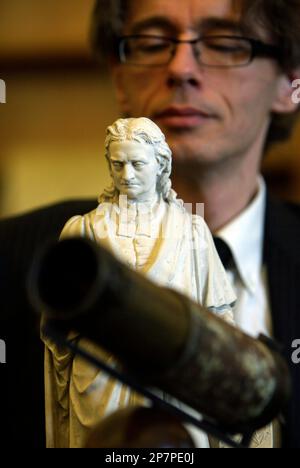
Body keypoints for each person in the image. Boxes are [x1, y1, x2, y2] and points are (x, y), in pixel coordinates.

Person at [1, 0, 300, 448]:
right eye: (152, 42)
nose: (180, 68)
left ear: (291, 82)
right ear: (119, 77)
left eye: (224, 43)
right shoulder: (11, 260)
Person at [41, 117, 235, 447]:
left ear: (161, 165)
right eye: (117, 164)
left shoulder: (191, 231)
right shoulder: (82, 231)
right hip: (100, 381)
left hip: (174, 379)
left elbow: (218, 317)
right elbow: (55, 328)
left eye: (137, 164)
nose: (126, 175)